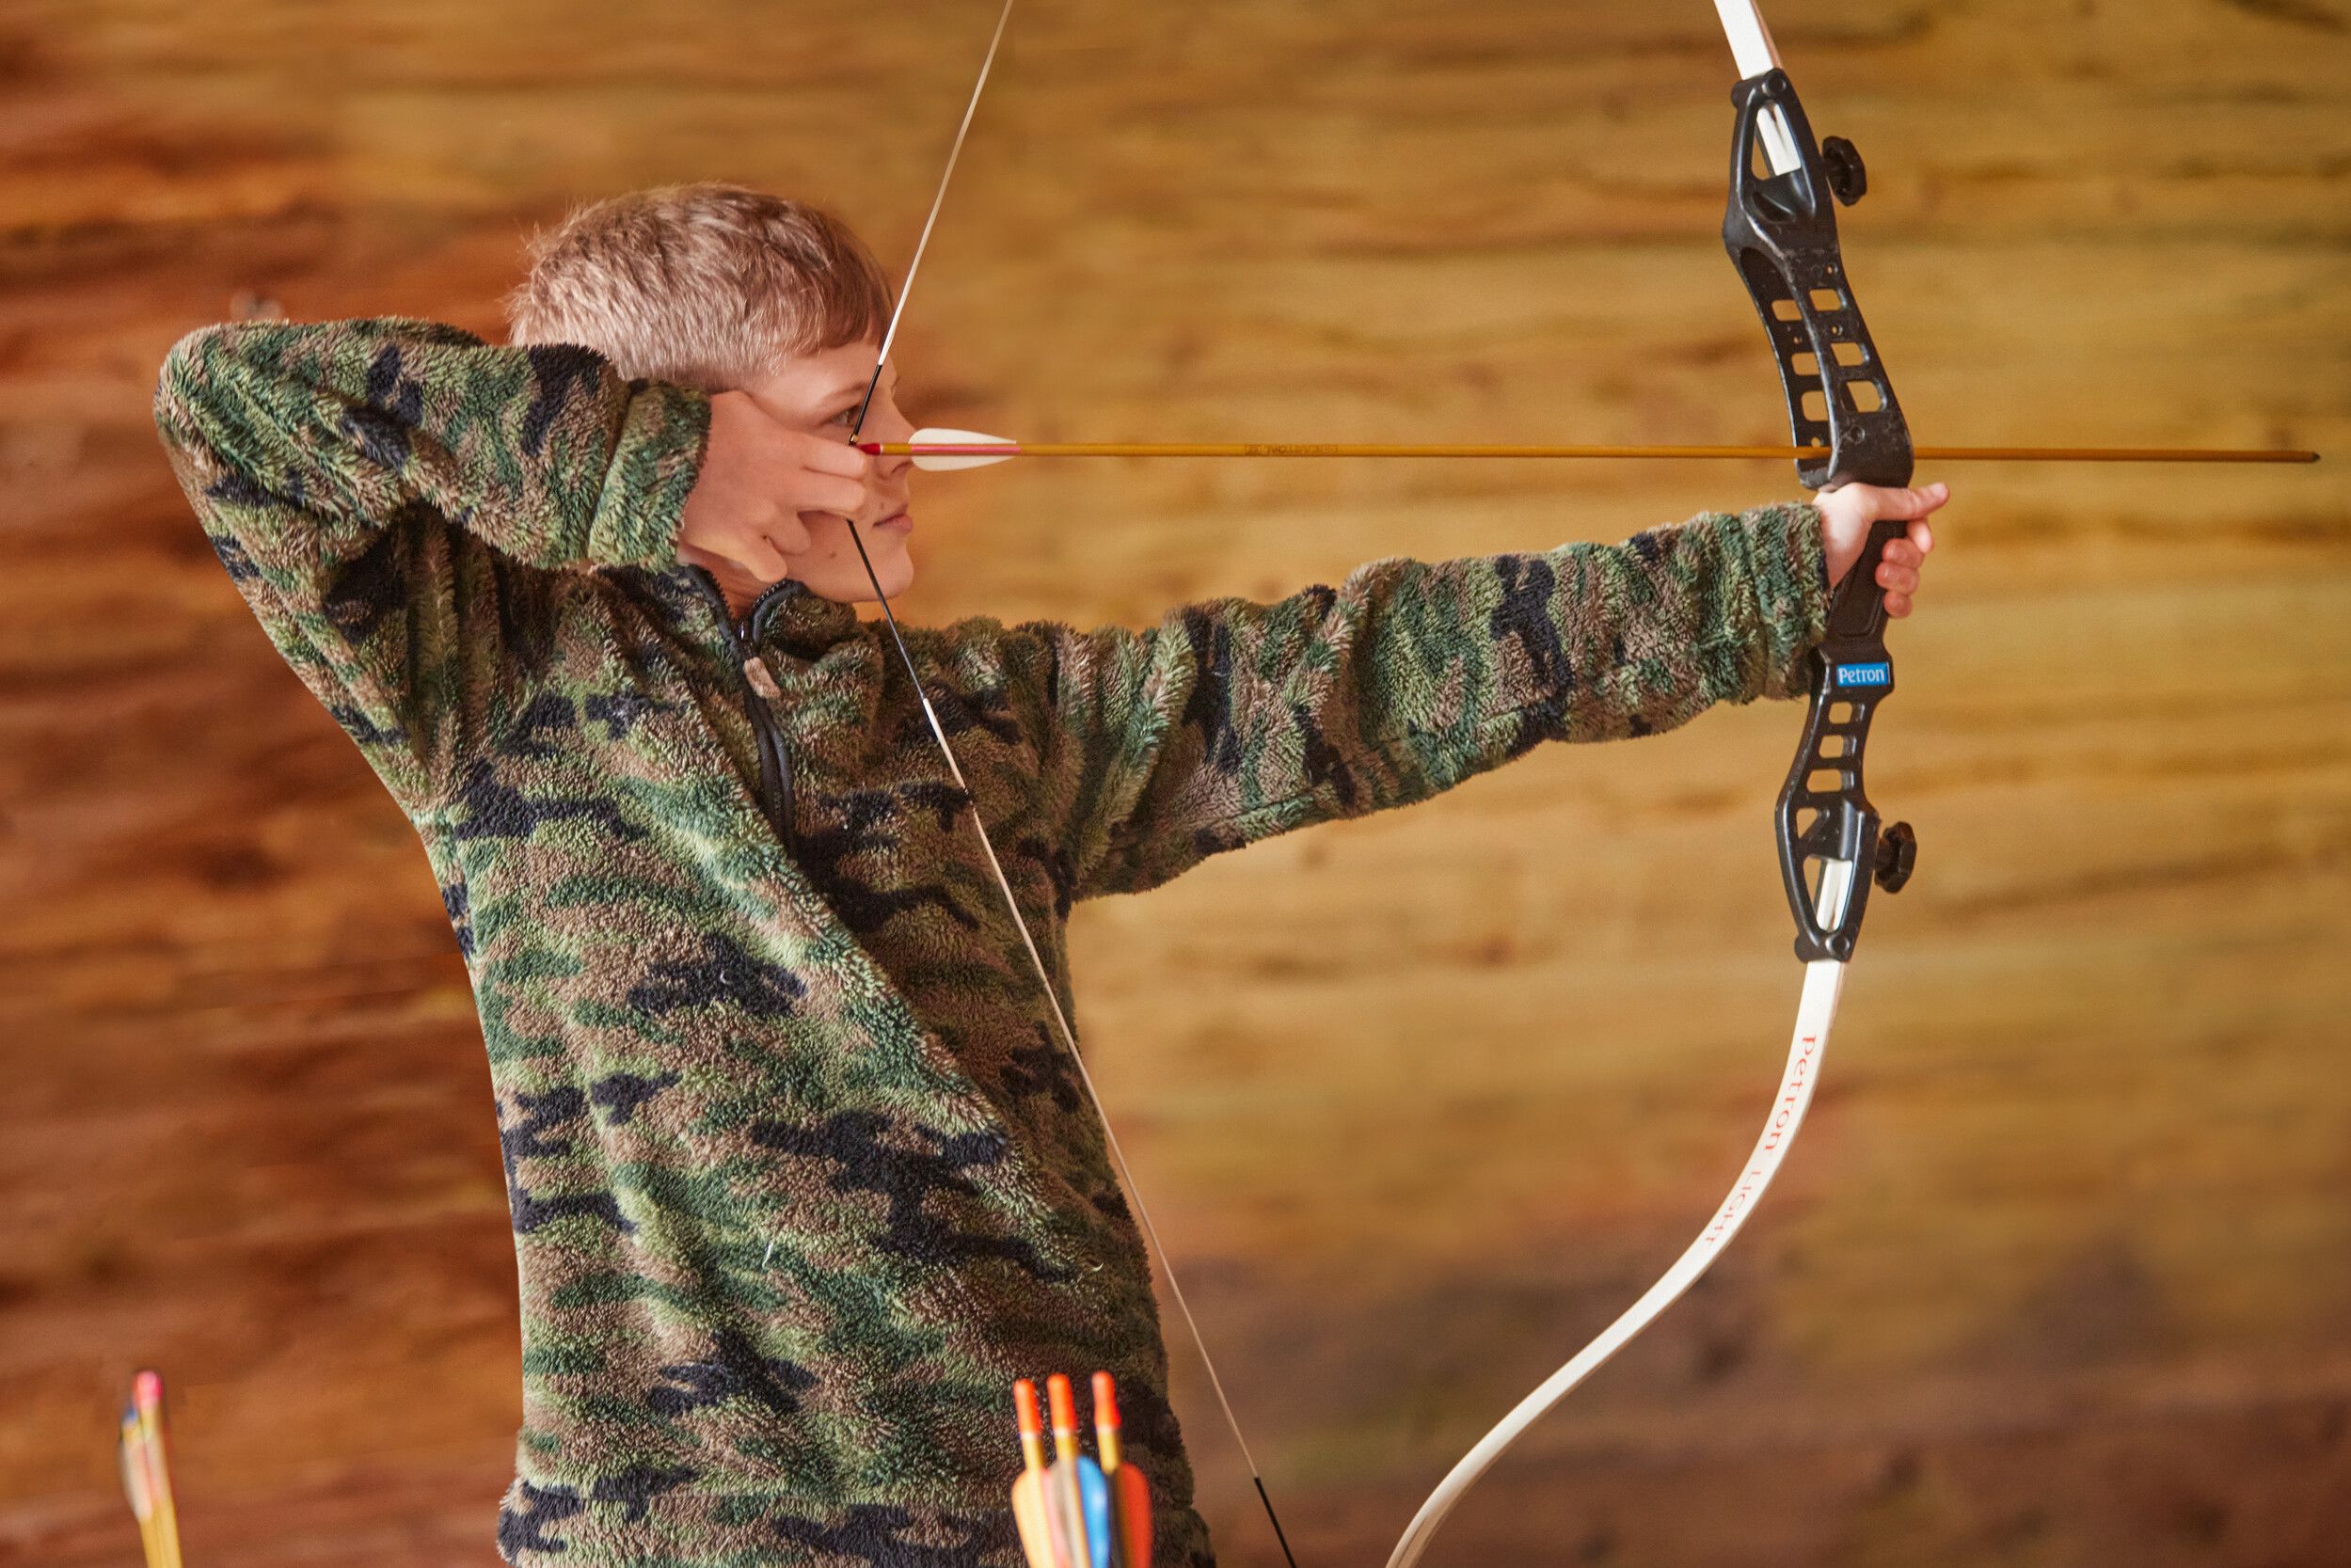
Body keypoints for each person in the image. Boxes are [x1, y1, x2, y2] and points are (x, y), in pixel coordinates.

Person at [151, 182, 1941, 1568]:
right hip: (683, 1528)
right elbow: (227, 407)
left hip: (1052, 1510)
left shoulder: (991, 723)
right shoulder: (501, 698)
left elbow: (1353, 677)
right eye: (856, 405)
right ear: (706, 432)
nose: (905, 441)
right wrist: (647, 465)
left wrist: (1784, 580)